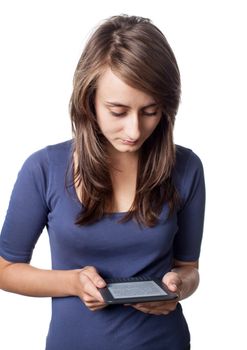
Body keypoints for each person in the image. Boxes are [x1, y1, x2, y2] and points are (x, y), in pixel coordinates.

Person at [0, 14, 205, 350]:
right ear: (89, 100)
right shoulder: (43, 169)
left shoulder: (186, 168)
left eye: (150, 111)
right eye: (118, 110)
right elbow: (5, 268)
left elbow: (188, 267)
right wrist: (72, 283)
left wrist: (179, 286)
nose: (135, 130)